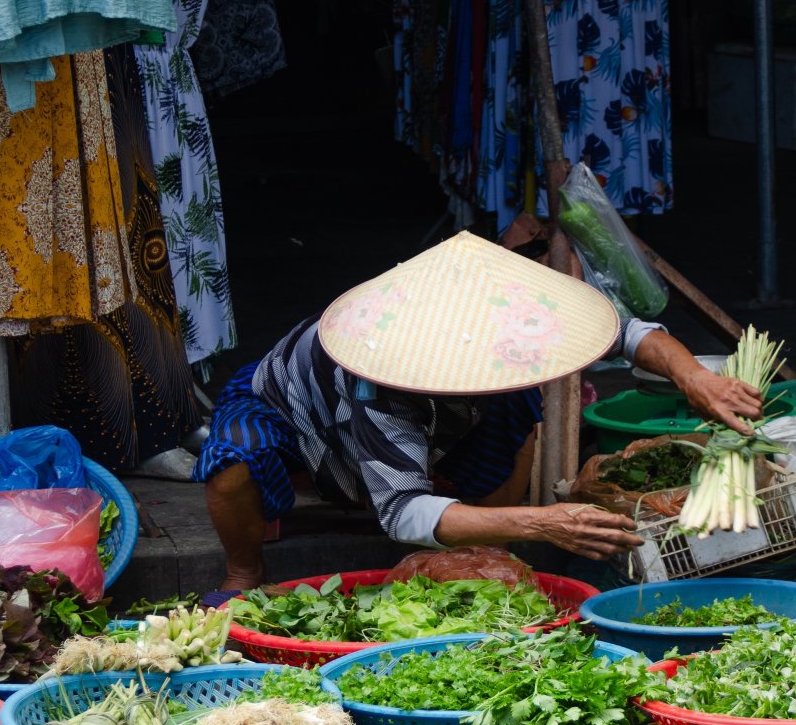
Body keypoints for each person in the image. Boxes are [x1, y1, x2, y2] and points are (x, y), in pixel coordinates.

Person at [192, 231, 764, 592]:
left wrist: (697, 379)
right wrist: (543, 522)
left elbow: (633, 334)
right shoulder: (381, 374)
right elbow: (403, 516)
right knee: (233, 461)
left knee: (517, 401)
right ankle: (245, 572)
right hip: (288, 410)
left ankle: (487, 555)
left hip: (416, 416)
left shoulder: (515, 304)